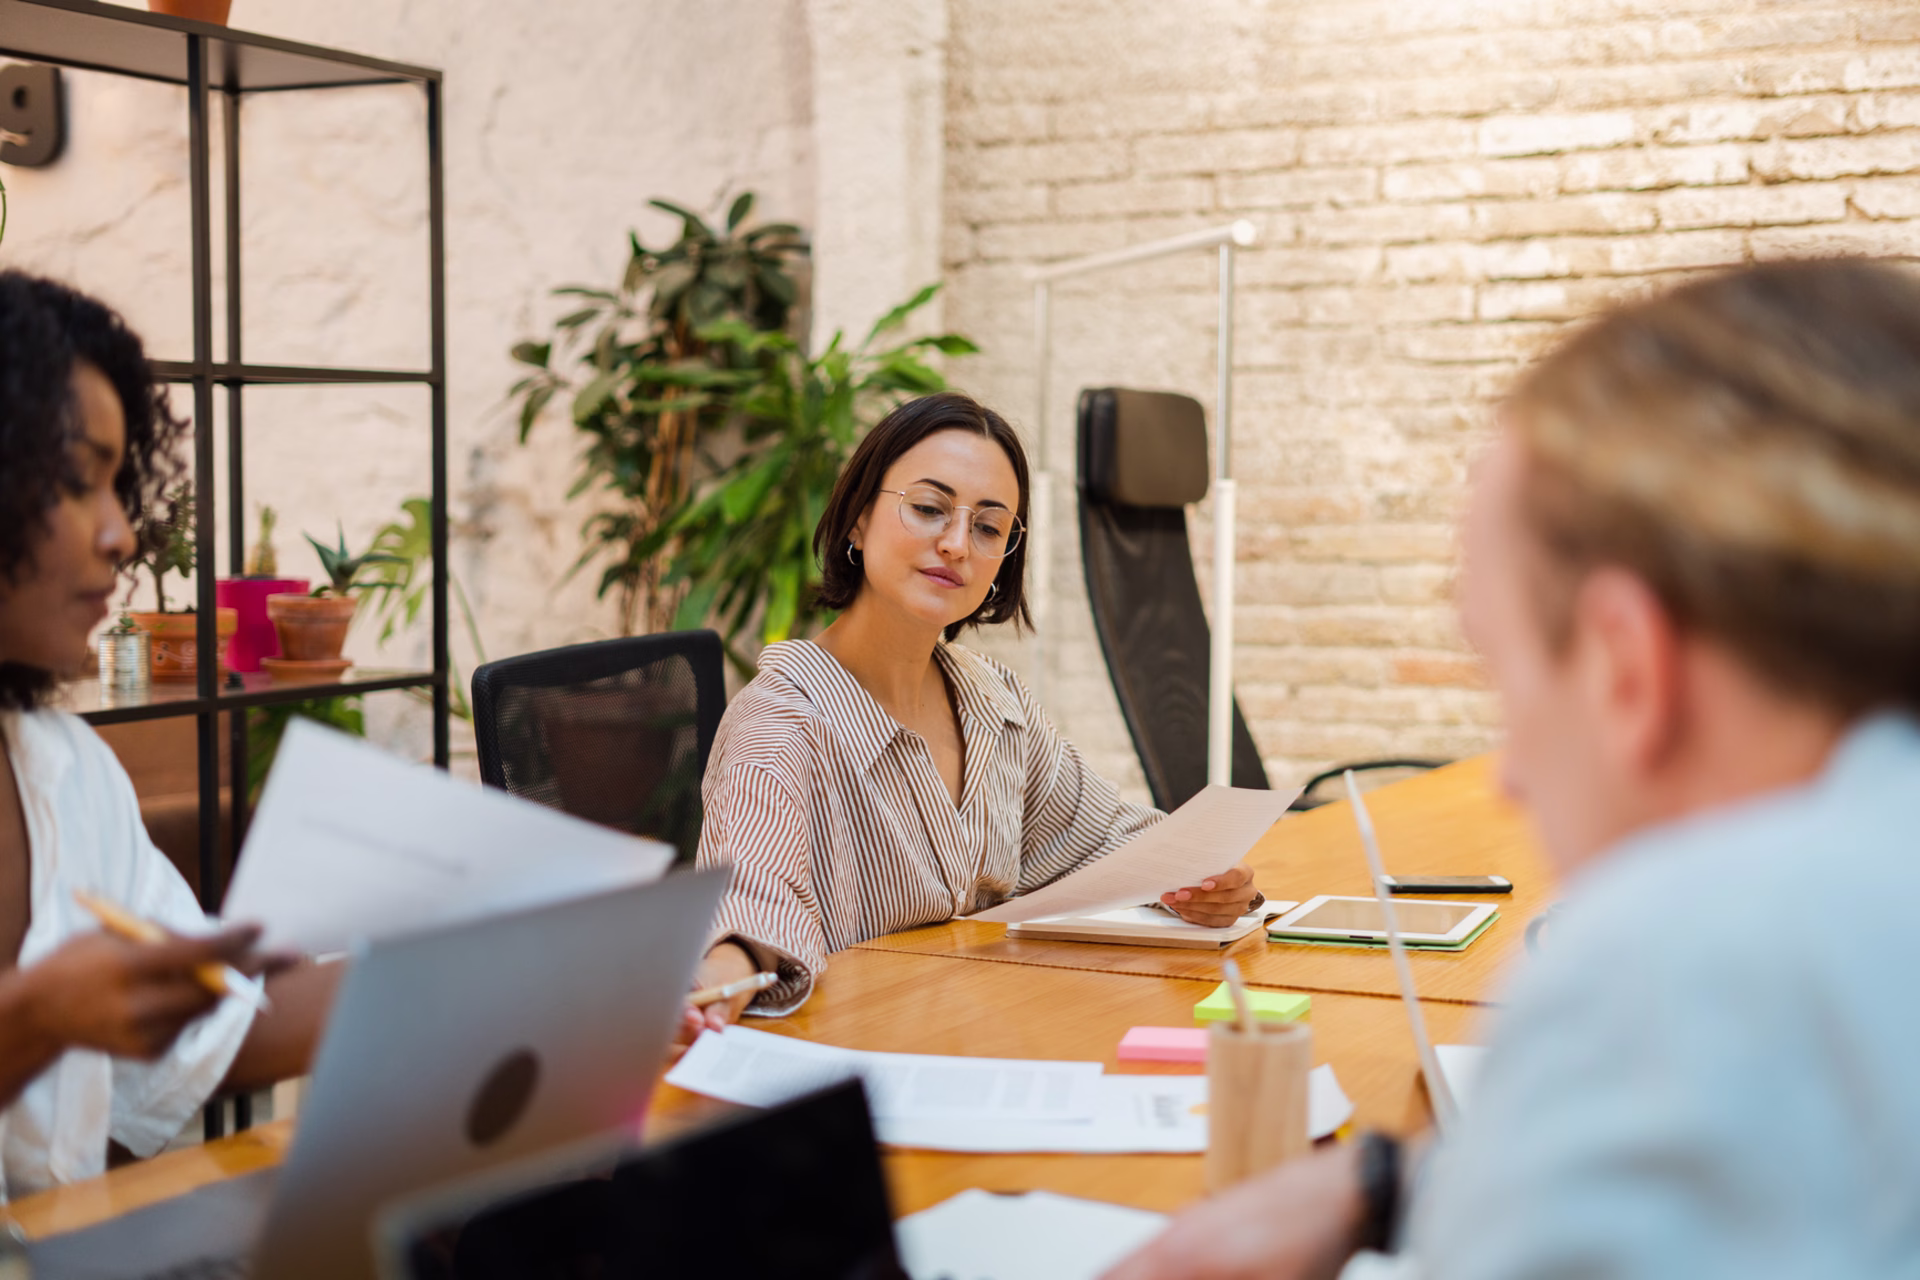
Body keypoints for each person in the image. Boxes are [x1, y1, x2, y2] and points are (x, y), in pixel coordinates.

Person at [1106, 256, 1920, 1279]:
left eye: (1508, 675)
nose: (1511, 777)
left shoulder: (1690, 955)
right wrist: (1391, 1185)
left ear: (1629, 665)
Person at [688, 391, 1263, 1023]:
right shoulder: (780, 723)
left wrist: (1200, 879)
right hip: (843, 1054)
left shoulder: (993, 700)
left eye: (988, 526)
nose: (958, 544)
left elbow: (1099, 834)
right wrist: (723, 972)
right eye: (930, 508)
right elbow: (750, 902)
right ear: (856, 517)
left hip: (970, 1027)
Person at [0, 269, 337, 1198]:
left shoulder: (65, 771)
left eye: (120, 484)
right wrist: (35, 1020)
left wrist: (510, 974)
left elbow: (218, 1023)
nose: (122, 536)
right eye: (77, 484)